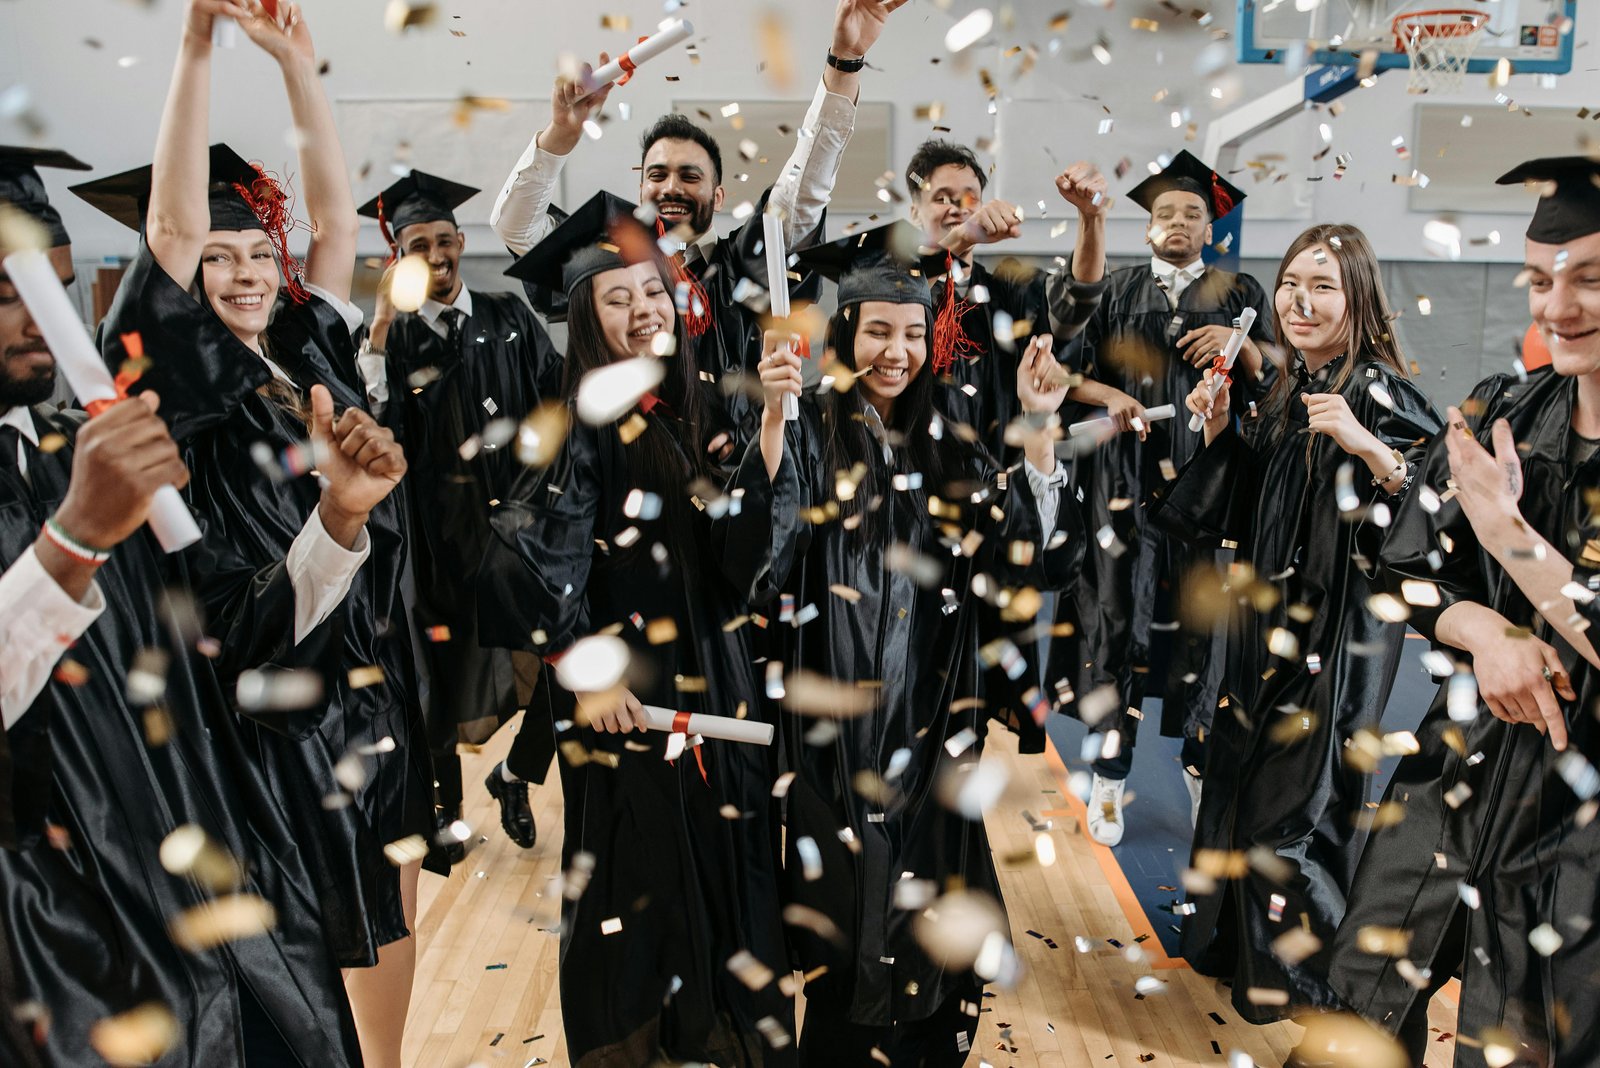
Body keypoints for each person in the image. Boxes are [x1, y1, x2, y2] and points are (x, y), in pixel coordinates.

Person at [72, 4, 427, 1064]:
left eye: (254, 253)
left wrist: (301, 71)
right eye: (217, 260)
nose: (243, 273)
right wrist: (196, 49)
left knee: (387, 896)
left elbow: (331, 224)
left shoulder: (306, 343)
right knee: (310, 931)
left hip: (360, 666)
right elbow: (173, 233)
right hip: (265, 687)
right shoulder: (173, 374)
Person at [0, 144, 366, 1065]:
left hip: (213, 876)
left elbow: (227, 633)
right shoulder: (86, 483)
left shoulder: (74, 451)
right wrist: (76, 537)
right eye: (9, 294)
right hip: (62, 941)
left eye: (56, 286)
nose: (43, 320)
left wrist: (338, 519)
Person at [718, 226, 1085, 1066]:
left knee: (931, 923)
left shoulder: (951, 437)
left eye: (913, 333)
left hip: (930, 721)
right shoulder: (808, 428)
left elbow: (1022, 567)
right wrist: (772, 419)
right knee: (844, 922)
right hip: (831, 730)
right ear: (846, 337)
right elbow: (757, 565)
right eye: (878, 331)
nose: (898, 351)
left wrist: (1036, 433)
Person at [478, 191, 793, 1067]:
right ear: (584, 319)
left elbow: (741, 557)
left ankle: (723, 1045)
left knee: (727, 861)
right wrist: (587, 670)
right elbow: (531, 561)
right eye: (616, 300)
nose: (641, 309)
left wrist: (769, 423)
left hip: (712, 667)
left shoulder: (690, 403)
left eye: (651, 293)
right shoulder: (575, 420)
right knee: (640, 880)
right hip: (630, 695)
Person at [1328, 157, 1600, 1066]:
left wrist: (1507, 533)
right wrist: (1486, 631)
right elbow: (1399, 570)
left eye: (1591, 279)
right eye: (1539, 279)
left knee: (1523, 1045)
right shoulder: (1506, 413)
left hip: (1582, 833)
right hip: (1461, 780)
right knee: (1360, 1013)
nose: (1556, 308)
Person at [1161, 223, 1440, 1023]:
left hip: (1336, 644)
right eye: (1290, 283)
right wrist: (1218, 425)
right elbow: (1250, 507)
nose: (1301, 301)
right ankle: (1241, 959)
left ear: (1359, 298)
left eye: (1323, 286)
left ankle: (1311, 990)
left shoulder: (1380, 392)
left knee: (1297, 817)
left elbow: (1439, 520)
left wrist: (1373, 450)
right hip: (1265, 632)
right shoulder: (1293, 384)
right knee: (1240, 791)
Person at [491, 0, 906, 437]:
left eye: (690, 176)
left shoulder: (745, 267)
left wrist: (844, 63)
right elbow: (515, 228)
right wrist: (562, 133)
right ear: (641, 191)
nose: (671, 187)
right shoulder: (609, 266)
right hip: (625, 472)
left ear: (718, 195)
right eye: (658, 175)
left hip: (738, 475)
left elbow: (804, 190)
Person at [1062, 149, 1277, 846]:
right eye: (1164, 213)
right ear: (1147, 228)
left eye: (1192, 213)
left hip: (1208, 487)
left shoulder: (1241, 293)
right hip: (1121, 485)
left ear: (1210, 230)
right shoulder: (1115, 290)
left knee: (1204, 630)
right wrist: (1111, 395)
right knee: (1113, 620)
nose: (1178, 222)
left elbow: (1279, 378)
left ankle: (1197, 762)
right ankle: (1108, 775)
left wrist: (1240, 348)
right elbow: (1065, 376)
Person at [358, 170, 563, 853]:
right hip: (438, 542)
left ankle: (518, 772)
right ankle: (445, 815)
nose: (439, 255)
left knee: (562, 660)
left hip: (520, 535)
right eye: (419, 244)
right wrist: (383, 326)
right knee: (435, 683)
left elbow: (556, 404)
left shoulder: (507, 315)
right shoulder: (394, 342)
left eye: (446, 239)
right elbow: (372, 423)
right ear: (397, 258)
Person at [901, 138, 1110, 455]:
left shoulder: (1008, 292)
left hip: (998, 481)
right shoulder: (894, 290)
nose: (958, 208)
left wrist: (1091, 218)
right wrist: (961, 238)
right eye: (942, 198)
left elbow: (1076, 298)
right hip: (910, 479)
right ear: (915, 212)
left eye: (970, 198)